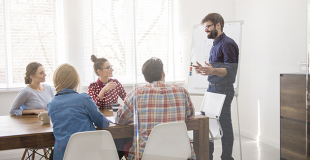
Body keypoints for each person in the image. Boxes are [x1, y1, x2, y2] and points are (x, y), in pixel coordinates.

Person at [115, 57, 196, 160]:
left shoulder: (137, 93)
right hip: (180, 153)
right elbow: (191, 116)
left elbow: (119, 120)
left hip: (146, 155)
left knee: (125, 145)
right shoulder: (181, 91)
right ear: (163, 73)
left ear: (145, 79)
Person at [193, 13, 239, 160]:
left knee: (224, 125)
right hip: (212, 88)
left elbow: (230, 71)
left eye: (208, 27)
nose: (205, 30)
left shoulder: (228, 44)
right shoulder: (215, 44)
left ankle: (227, 157)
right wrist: (206, 71)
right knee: (206, 124)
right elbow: (218, 68)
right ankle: (208, 156)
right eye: (205, 27)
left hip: (223, 89)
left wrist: (212, 70)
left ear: (218, 25)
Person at [47, 63, 110, 160]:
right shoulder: (84, 99)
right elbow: (103, 123)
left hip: (63, 155)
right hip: (88, 153)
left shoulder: (51, 104)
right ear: (75, 81)